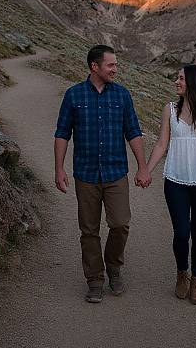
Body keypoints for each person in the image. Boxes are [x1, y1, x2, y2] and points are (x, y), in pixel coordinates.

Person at [54, 45, 151, 303]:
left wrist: (142, 167)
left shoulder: (122, 95)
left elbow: (133, 131)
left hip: (115, 172)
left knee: (120, 224)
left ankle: (114, 267)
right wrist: (58, 169)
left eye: (115, 65)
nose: (115, 70)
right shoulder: (73, 95)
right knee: (89, 230)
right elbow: (63, 132)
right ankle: (95, 280)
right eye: (111, 65)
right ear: (94, 67)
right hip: (85, 174)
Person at [147, 64, 196, 305]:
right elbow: (162, 143)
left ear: (193, 82)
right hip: (175, 181)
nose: (176, 82)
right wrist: (146, 170)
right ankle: (182, 273)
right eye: (177, 78)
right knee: (181, 232)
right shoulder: (170, 109)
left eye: (180, 78)